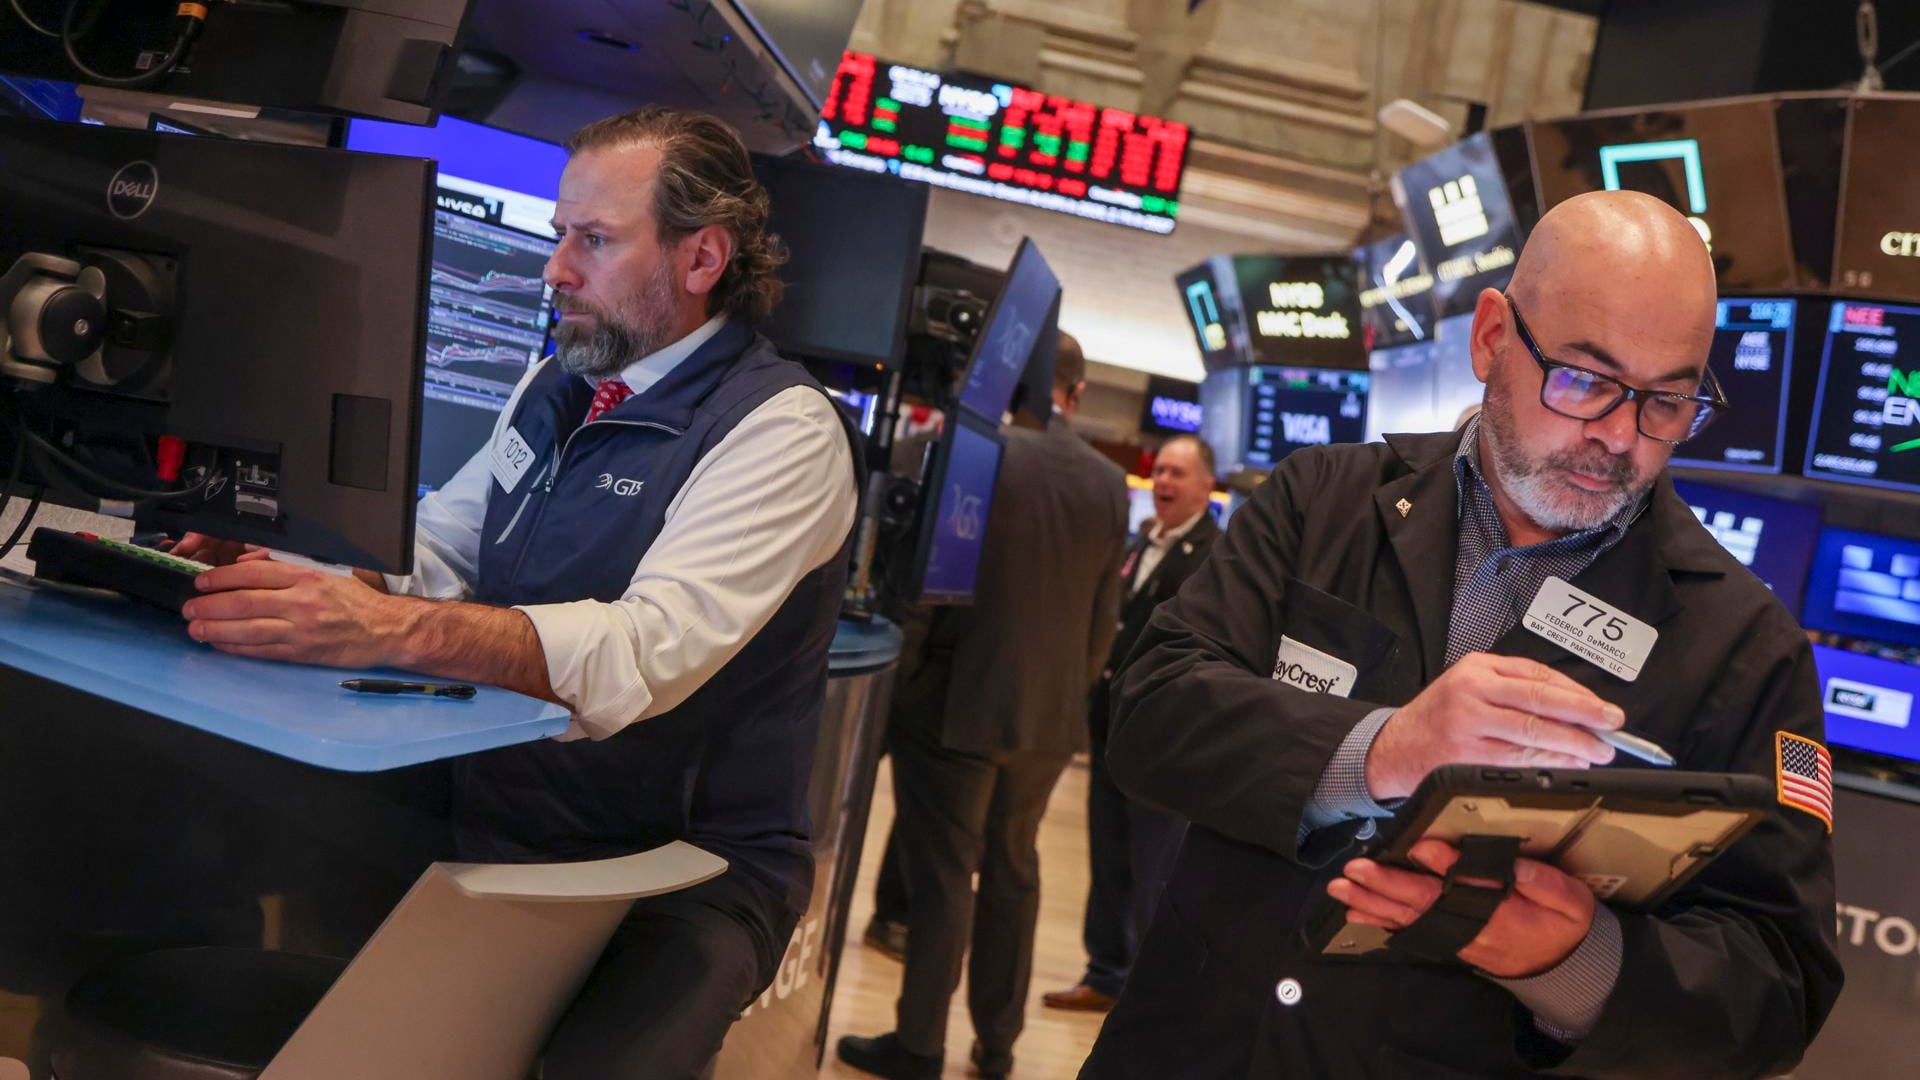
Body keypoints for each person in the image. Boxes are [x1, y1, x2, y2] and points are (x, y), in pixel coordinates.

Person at [1079, 191, 1843, 1079]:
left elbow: (1779, 988)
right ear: (1491, 338)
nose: (1618, 437)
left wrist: (1572, 960)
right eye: (1587, 379)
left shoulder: (1746, 649)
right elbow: (1150, 712)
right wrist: (1385, 749)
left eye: (1666, 401)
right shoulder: (1319, 502)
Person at [173, 106, 860, 1079]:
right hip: (504, 814)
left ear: (702, 258)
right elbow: (445, 550)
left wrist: (386, 625)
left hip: (678, 868)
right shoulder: (555, 384)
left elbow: (639, 656)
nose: (555, 271)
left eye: (593, 240)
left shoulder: (780, 431)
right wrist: (300, 555)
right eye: (556, 238)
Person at [838, 333, 1128, 1080]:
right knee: (1013, 875)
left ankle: (919, 1046)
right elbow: (1103, 620)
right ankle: (997, 1049)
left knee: (941, 881)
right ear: (1073, 389)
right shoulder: (1105, 481)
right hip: (1044, 723)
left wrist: (896, 697)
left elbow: (927, 594)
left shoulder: (975, 456)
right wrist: (1066, 700)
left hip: (955, 712)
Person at [1044, 433, 1220, 1013]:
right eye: (1159, 472)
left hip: (1166, 738)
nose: (1164, 483)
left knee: (1154, 870)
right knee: (1109, 856)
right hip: (1110, 727)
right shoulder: (1137, 542)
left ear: (1205, 486)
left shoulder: (1215, 556)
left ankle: (1150, 996)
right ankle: (1105, 971)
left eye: (1176, 474)